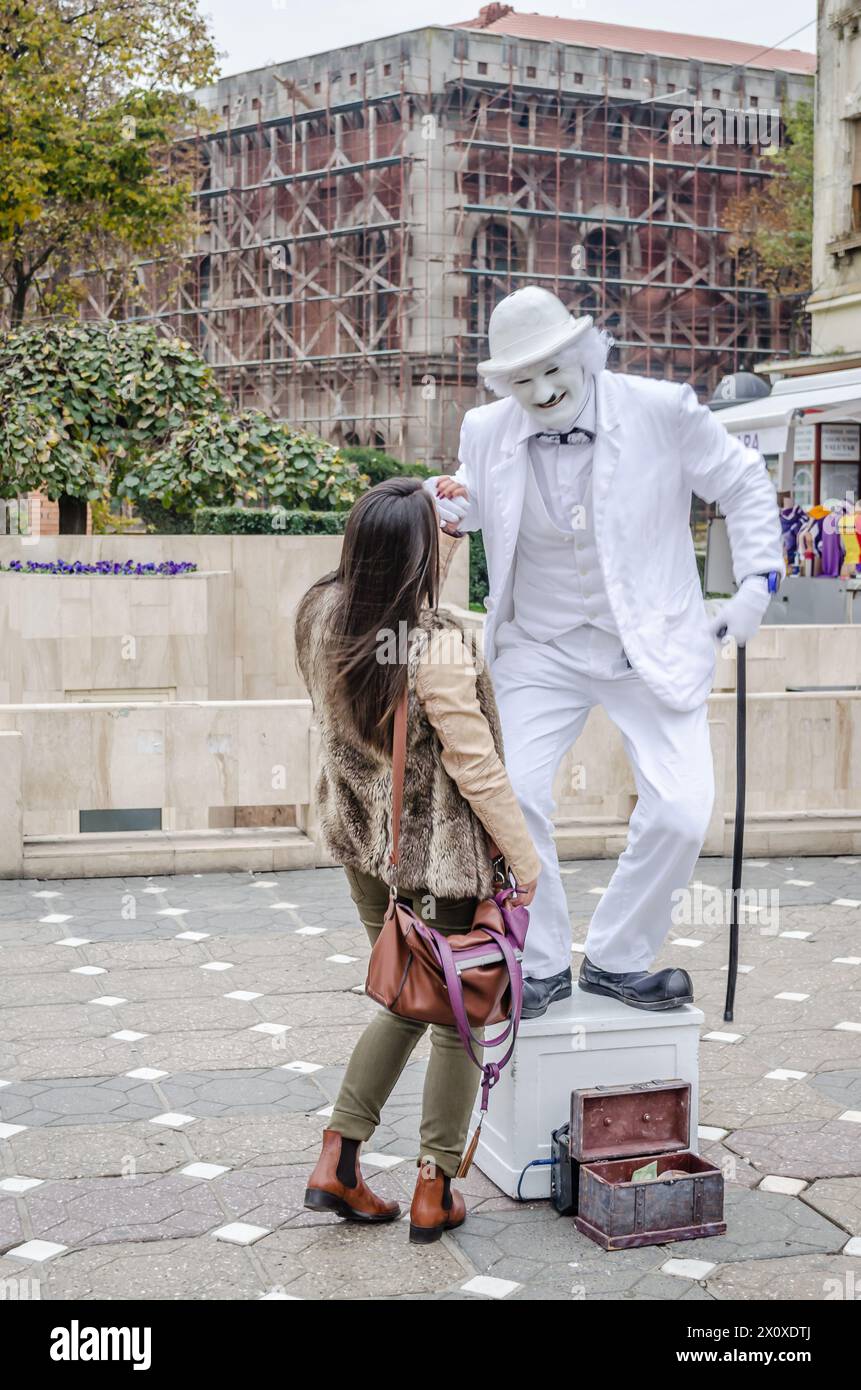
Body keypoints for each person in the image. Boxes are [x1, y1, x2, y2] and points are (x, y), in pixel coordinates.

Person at [423, 286, 783, 1018]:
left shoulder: (661, 409)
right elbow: (480, 506)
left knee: (683, 810)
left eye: (553, 370)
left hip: (646, 641)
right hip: (539, 644)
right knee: (513, 793)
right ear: (502, 384)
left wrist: (754, 584)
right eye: (522, 380)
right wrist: (444, 501)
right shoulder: (487, 429)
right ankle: (544, 959)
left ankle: (618, 958)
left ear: (582, 354)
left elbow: (741, 482)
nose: (543, 390)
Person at [295, 477, 540, 1243]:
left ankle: (337, 1159)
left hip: (363, 844)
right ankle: (432, 1188)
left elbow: (402, 589)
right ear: (419, 556)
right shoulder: (436, 646)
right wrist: (524, 861)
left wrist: (435, 521)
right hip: (434, 859)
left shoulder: (322, 613)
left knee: (407, 993)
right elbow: (476, 768)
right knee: (455, 1013)